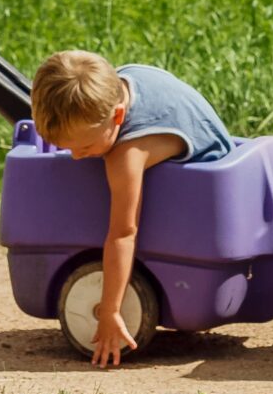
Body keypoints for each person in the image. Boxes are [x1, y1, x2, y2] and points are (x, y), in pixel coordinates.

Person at [28, 50, 232, 368]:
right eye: (66, 148)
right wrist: (88, 143)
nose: (77, 157)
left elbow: (123, 233)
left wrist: (109, 311)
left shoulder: (127, 155)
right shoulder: (122, 79)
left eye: (84, 147)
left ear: (119, 116)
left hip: (202, 189)